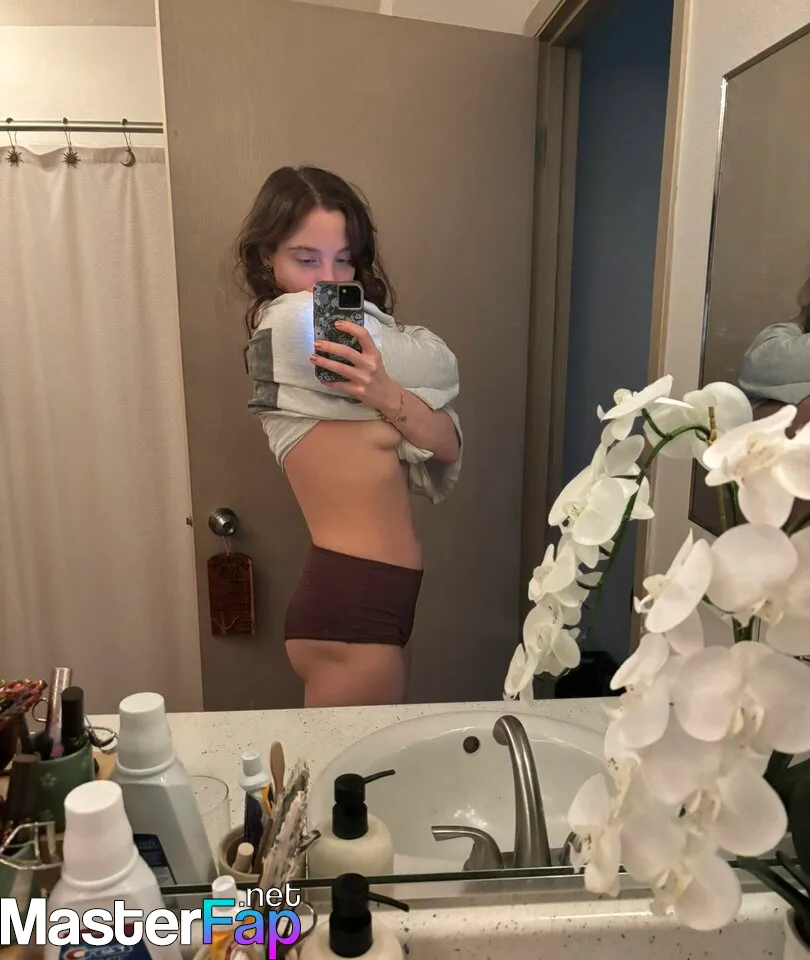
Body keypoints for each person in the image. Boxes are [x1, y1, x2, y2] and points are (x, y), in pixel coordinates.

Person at [235, 166, 462, 708]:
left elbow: (446, 443)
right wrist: (400, 385)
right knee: (351, 765)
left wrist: (385, 393)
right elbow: (444, 366)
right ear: (267, 256)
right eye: (306, 259)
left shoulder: (352, 346)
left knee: (366, 760)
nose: (327, 281)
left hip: (372, 603)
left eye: (343, 260)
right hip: (351, 610)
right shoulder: (290, 324)